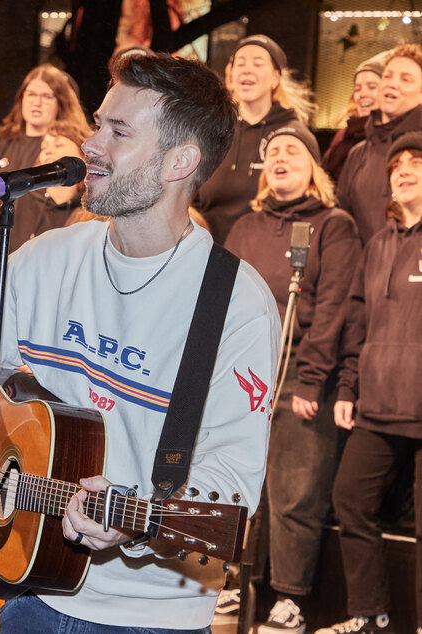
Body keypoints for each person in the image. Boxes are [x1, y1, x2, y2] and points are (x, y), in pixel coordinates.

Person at [0, 53, 280, 632]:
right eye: (99, 124)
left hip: (152, 616)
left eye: (119, 131)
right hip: (28, 591)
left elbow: (230, 488)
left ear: (180, 161)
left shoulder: (235, 304)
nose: (91, 144)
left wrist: (134, 521)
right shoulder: (49, 257)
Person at [224, 123, 361, 634]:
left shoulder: (333, 225)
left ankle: (289, 598)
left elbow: (333, 308)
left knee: (294, 494)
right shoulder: (245, 227)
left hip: (303, 382)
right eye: (274, 151)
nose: (281, 157)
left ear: (314, 169)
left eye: (293, 151)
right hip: (243, 383)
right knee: (238, 487)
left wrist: (311, 378)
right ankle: (234, 583)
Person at [318, 132, 422, 634]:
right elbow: (356, 321)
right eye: (397, 164)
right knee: (350, 500)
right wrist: (348, 389)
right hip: (378, 402)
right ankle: (369, 616)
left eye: (415, 163)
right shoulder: (379, 243)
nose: (403, 170)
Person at [192, 34, 315, 243]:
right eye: (240, 63)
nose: (247, 69)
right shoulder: (212, 130)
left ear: (276, 77)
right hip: (206, 251)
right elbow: (185, 193)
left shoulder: (293, 135)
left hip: (266, 253)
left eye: (258, 64)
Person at [336, 44, 422, 245]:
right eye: (388, 76)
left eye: (406, 79)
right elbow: (343, 225)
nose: (392, 84)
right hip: (365, 271)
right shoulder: (357, 154)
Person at [7, 119, 93, 252]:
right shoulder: (21, 201)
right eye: (44, 147)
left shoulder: (91, 211)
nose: (48, 151)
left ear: (82, 156)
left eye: (58, 145)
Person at [0, 64, 89, 175]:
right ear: (22, 98)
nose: (37, 103)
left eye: (47, 96)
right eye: (31, 95)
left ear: (61, 103)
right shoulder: (5, 143)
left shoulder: (63, 147)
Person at [322, 55, 385, 183]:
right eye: (357, 89)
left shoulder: (390, 136)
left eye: (372, 87)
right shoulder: (342, 137)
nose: (362, 94)